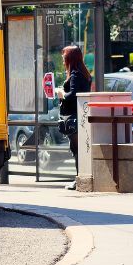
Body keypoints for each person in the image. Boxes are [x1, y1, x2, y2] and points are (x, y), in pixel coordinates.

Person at [55, 45, 92, 190]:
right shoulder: (83, 72)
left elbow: (73, 95)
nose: (63, 62)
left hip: (74, 117)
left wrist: (61, 93)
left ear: (70, 59)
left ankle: (79, 180)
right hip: (79, 116)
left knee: (77, 150)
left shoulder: (75, 74)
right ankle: (79, 179)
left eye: (64, 59)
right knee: (79, 149)